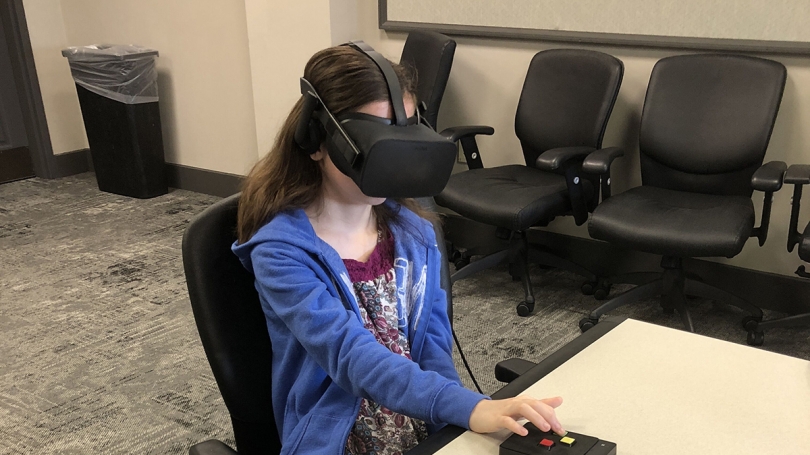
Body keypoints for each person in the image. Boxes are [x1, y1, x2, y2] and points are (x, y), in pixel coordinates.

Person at [233, 44, 565, 455]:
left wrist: (455, 419)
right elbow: (350, 355)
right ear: (317, 139)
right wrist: (466, 406)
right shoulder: (281, 251)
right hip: (338, 436)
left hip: (422, 416)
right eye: (375, 140)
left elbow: (432, 345)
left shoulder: (415, 233)